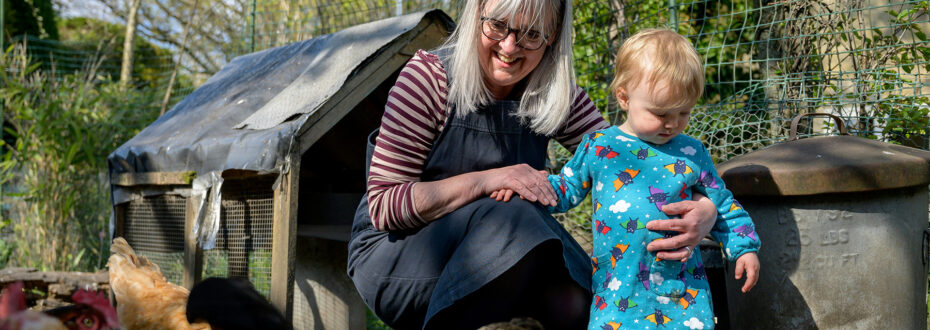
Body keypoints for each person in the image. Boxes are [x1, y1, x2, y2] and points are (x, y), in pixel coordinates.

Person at [346, 0, 720, 328]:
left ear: (553, 35)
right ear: (477, 13)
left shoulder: (557, 93)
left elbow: (631, 160)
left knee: (592, 282)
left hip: (503, 257)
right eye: (497, 25)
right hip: (397, 258)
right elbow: (385, 206)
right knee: (519, 215)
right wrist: (488, 179)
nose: (509, 47)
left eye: (530, 34)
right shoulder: (427, 78)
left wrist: (706, 210)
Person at [533, 29, 760, 329]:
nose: (672, 123)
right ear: (624, 97)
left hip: (682, 292)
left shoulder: (691, 151)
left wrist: (744, 247)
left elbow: (723, 204)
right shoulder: (600, 146)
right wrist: (532, 188)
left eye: (683, 112)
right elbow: (567, 188)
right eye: (660, 112)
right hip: (617, 292)